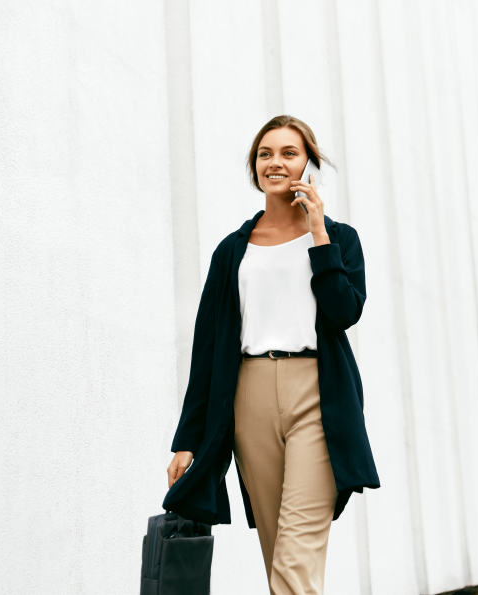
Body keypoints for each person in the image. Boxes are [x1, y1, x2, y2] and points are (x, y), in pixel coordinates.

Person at [161, 115, 380, 595]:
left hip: (317, 396)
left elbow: (345, 312)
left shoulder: (340, 239)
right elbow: (208, 351)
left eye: (288, 153)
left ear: (309, 163)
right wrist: (187, 439)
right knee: (278, 553)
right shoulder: (231, 252)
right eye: (265, 153)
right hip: (249, 398)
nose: (275, 162)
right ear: (254, 166)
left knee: (296, 556)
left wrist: (319, 235)